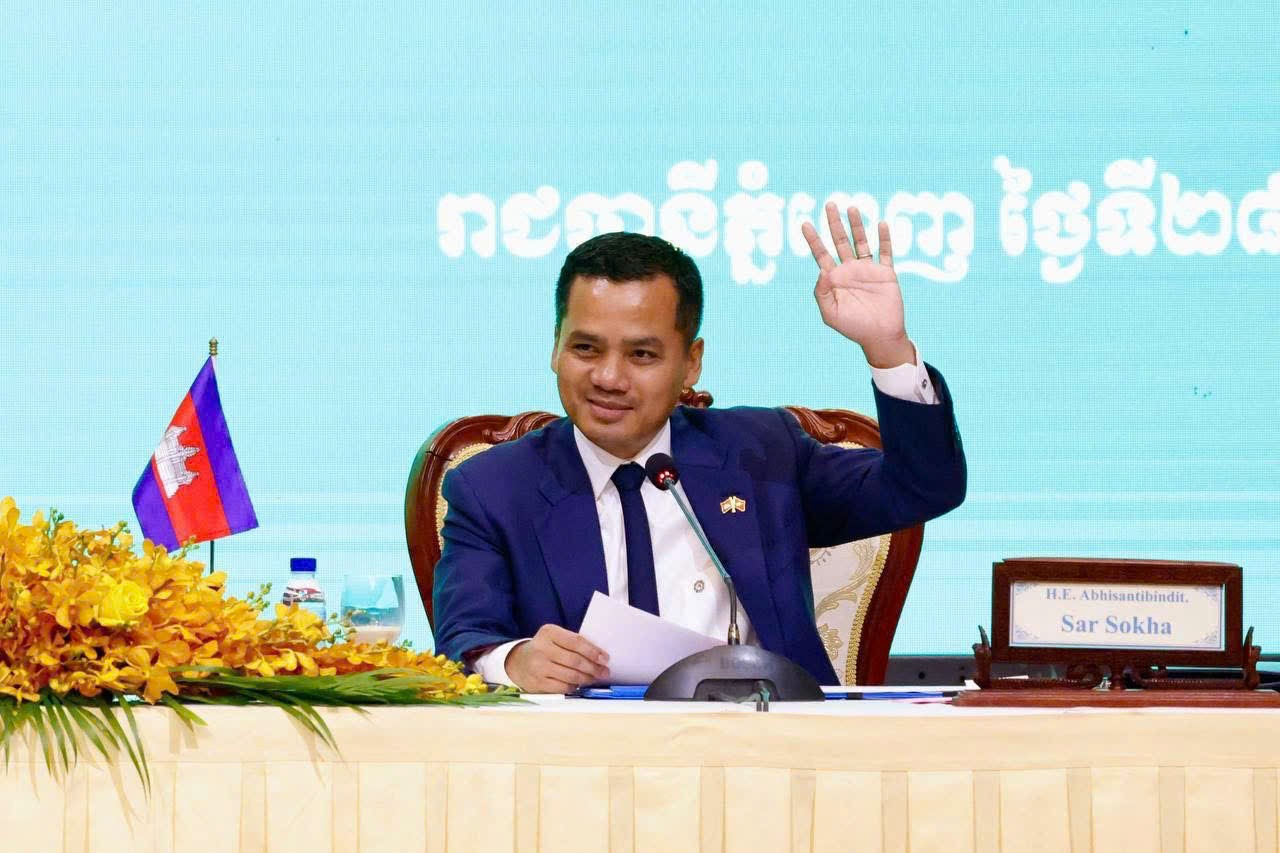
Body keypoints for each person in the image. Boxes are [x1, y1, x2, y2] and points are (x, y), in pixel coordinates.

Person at [432, 204, 966, 692]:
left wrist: (887, 349)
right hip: (584, 752)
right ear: (556, 348)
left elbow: (923, 487)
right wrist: (513, 660)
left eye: (642, 354)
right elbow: (464, 640)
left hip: (766, 741)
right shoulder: (493, 489)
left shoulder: (760, 453)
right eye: (586, 348)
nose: (608, 377)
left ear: (691, 363)